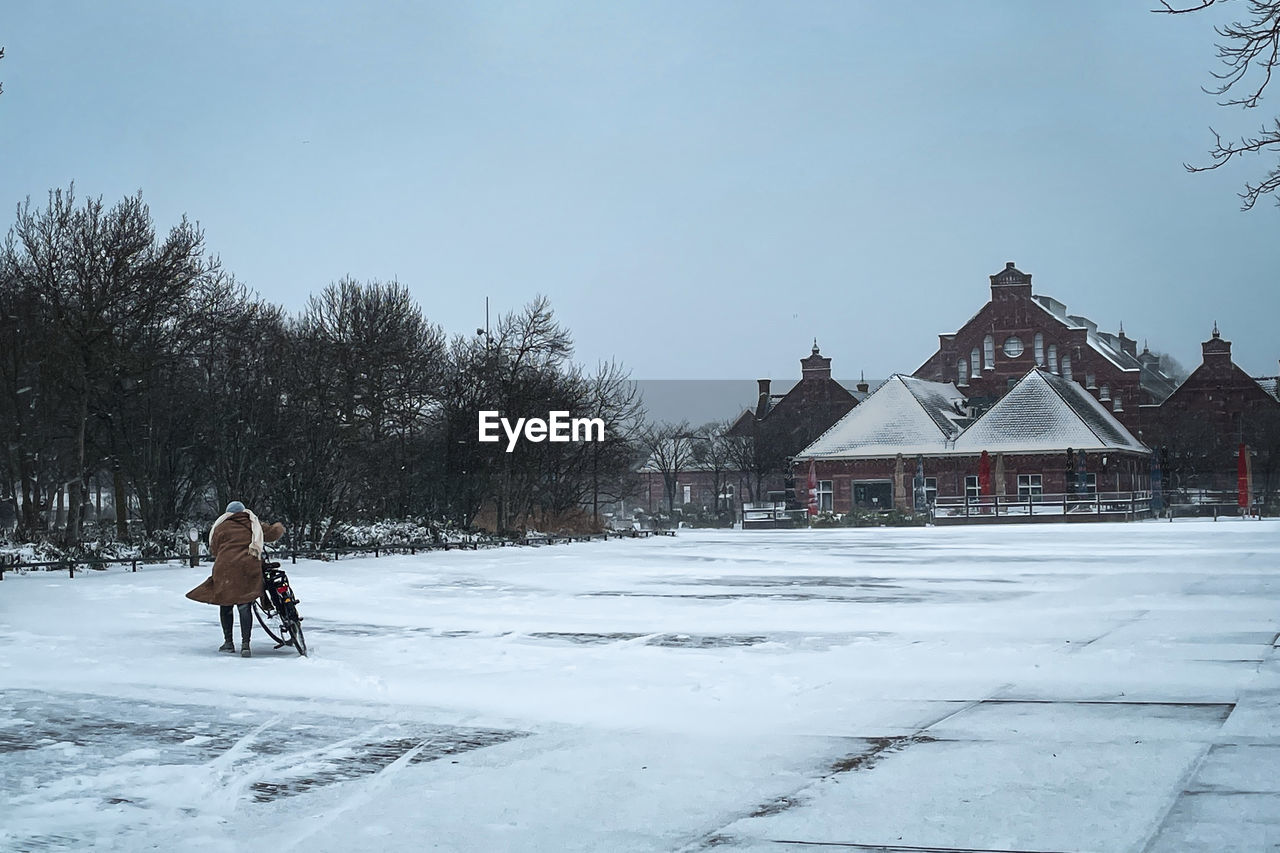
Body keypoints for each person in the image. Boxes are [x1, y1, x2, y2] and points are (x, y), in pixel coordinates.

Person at [186, 501, 286, 657]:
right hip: (247, 568)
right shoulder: (254, 523)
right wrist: (279, 527)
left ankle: (228, 642)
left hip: (224, 569)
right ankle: (245, 645)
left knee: (225, 604)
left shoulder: (220, 527)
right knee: (244, 605)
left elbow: (214, 549)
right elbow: (273, 533)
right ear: (244, 511)